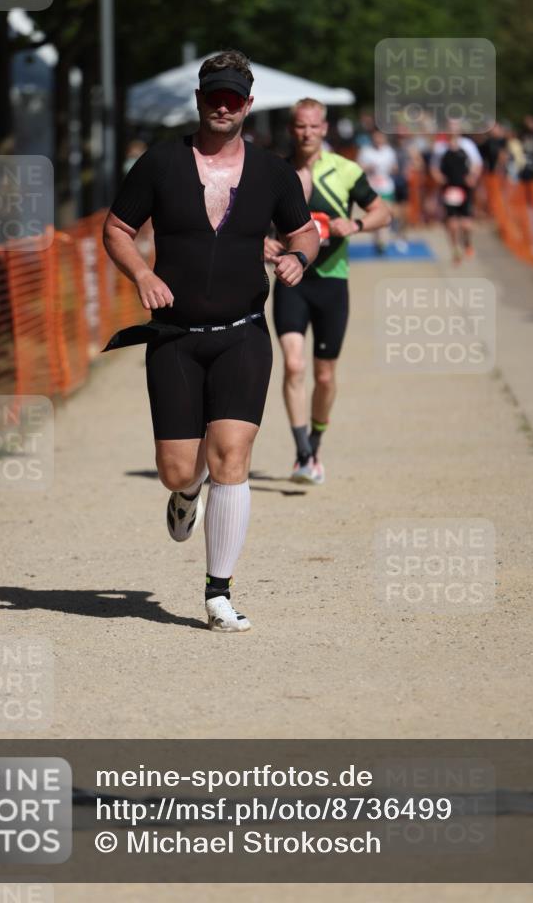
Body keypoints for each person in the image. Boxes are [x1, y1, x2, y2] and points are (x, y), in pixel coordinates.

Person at [102, 51, 318, 632]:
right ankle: (183, 495)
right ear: (200, 101)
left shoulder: (272, 172)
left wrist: (298, 257)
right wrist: (142, 274)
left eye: (233, 98)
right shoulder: (160, 163)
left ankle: (218, 593)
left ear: (247, 105)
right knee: (178, 469)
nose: (222, 106)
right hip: (173, 337)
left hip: (243, 335)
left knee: (232, 458)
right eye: (213, 96)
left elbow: (304, 232)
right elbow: (117, 229)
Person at [266, 98, 392, 484]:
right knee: (293, 364)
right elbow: (246, 220)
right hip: (292, 281)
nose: (307, 133)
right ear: (291, 130)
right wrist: (261, 244)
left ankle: (315, 444)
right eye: (300, 126)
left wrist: (353, 226)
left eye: (314, 126)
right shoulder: (274, 171)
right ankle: (303, 454)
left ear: (325, 129)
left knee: (323, 375)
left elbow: (383, 213)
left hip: (333, 282)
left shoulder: (346, 170)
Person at [432, 132, 480, 263]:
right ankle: (455, 249)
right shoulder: (441, 149)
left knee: (466, 225)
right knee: (452, 225)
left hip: (465, 190)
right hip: (449, 190)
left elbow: (477, 165)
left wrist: (472, 177)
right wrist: (439, 178)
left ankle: (467, 242)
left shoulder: (467, 146)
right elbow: (434, 168)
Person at [358, 129, 404, 253]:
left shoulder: (389, 151)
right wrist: (368, 167)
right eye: (376, 137)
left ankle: (383, 242)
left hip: (386, 187)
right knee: (374, 215)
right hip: (371, 188)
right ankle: (377, 240)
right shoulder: (366, 151)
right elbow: (358, 167)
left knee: (387, 214)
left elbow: (395, 168)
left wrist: (392, 168)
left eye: (380, 137)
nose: (378, 140)